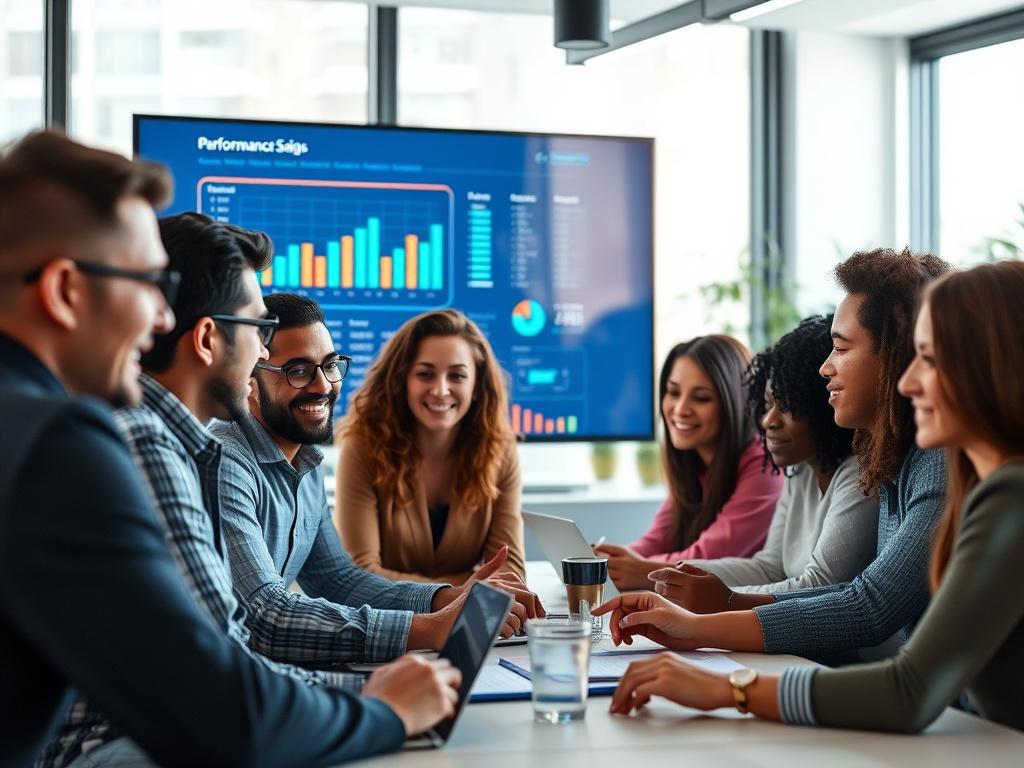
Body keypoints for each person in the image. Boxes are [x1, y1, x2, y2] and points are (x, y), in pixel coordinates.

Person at [0, 132, 456, 768]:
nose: (162, 321)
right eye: (143, 284)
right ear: (64, 291)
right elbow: (224, 710)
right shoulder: (73, 443)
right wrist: (383, 708)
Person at [597, 260, 1024, 734]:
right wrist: (700, 624)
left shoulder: (995, 489)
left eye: (929, 359)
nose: (908, 381)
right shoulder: (929, 470)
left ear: (989, 365)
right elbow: (858, 596)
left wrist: (729, 687)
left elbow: (881, 632)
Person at [593, 247, 952, 665]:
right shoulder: (893, 462)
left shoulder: (937, 464)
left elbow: (869, 607)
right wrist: (708, 608)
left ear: (894, 357)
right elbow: (847, 590)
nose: (825, 369)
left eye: (840, 348)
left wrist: (712, 617)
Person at [209, 293, 542, 667]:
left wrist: (446, 598)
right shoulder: (225, 461)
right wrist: (429, 628)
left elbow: (339, 580)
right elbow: (265, 617)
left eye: (330, 366)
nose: (322, 386)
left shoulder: (305, 459)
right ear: (248, 378)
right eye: (298, 371)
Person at [651, 315, 878, 612]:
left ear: (822, 407)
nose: (769, 421)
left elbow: (820, 585)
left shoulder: (859, 476)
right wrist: (683, 574)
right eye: (768, 404)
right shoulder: (799, 472)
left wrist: (721, 597)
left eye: (787, 407)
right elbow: (770, 568)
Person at [336, 309, 526, 584]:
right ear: (402, 380)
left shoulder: (500, 449)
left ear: (477, 386)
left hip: (465, 625)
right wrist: (465, 587)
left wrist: (464, 591)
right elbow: (360, 575)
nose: (440, 390)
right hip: (389, 623)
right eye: (425, 374)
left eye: (457, 376)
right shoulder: (363, 446)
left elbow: (509, 575)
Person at [596, 335, 784, 590]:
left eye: (701, 398)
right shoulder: (695, 464)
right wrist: (609, 562)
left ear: (735, 403)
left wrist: (643, 570)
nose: (680, 409)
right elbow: (656, 540)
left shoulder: (765, 465)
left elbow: (709, 554)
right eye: (673, 392)